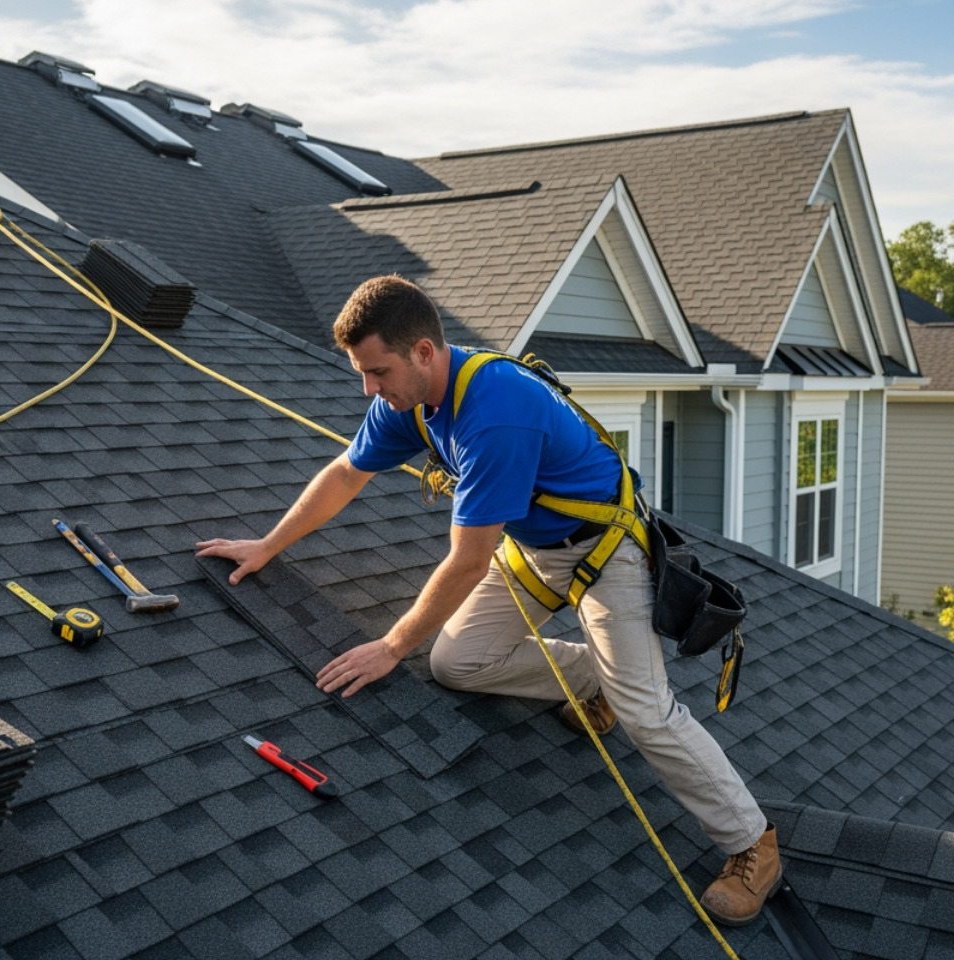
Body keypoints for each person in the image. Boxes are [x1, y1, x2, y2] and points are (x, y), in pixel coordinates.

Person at [197, 276, 780, 924]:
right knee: (456, 663)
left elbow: (469, 560)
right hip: (534, 549)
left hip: (605, 548)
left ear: (423, 352)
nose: (369, 390)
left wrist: (391, 647)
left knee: (645, 709)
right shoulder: (410, 401)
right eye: (361, 373)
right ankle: (599, 675)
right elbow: (346, 473)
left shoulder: (492, 414)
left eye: (377, 372)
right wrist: (269, 545)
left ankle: (751, 842)